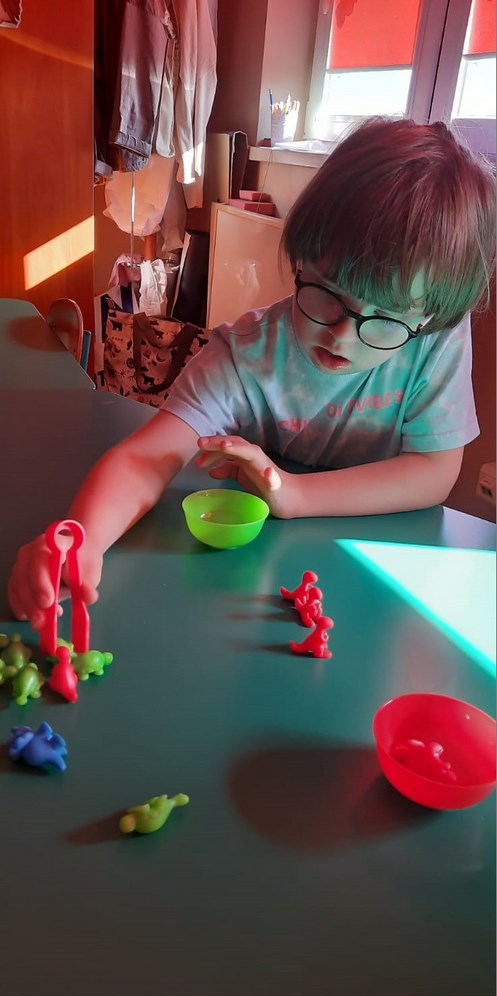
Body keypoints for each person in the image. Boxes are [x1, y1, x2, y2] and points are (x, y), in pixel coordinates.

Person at [8, 116, 496, 629]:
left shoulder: (435, 340)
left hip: (378, 588)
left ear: (429, 316)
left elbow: (435, 470)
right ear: (301, 258)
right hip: (255, 590)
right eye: (328, 294)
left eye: (387, 317)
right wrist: (78, 538)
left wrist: (295, 494)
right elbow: (147, 459)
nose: (343, 336)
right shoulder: (245, 355)